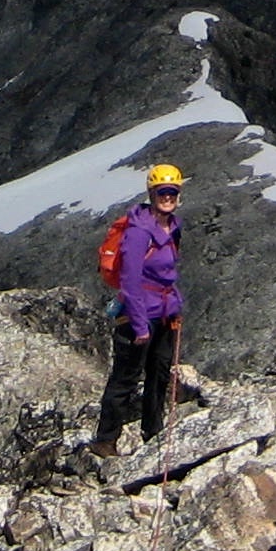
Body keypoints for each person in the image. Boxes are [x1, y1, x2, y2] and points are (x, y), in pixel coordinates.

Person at [93, 162, 185, 458]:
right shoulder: (138, 232)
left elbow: (167, 274)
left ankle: (153, 431)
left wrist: (174, 306)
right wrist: (140, 324)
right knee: (126, 377)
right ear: (151, 192)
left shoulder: (173, 227)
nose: (167, 197)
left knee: (158, 373)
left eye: (172, 191)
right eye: (162, 192)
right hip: (138, 315)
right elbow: (130, 280)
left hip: (165, 312)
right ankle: (105, 441)